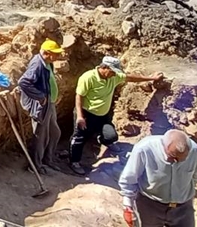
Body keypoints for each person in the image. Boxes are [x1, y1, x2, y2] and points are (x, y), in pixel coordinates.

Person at [68, 56, 165, 175]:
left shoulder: (113, 77)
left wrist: (151, 78)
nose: (115, 75)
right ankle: (74, 162)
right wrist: (80, 116)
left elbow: (130, 77)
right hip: (86, 113)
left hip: (103, 115)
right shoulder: (88, 77)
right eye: (113, 72)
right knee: (79, 138)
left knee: (111, 136)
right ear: (105, 68)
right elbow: (79, 96)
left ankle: (101, 139)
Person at [118, 129, 197, 227]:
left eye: (182, 160)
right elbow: (129, 178)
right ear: (164, 147)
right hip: (150, 206)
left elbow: (195, 177)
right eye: (173, 158)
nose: (177, 162)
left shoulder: (195, 152)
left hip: (182, 209)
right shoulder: (145, 149)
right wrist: (127, 206)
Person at [18, 39, 64, 174]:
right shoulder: (38, 65)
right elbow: (23, 82)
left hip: (49, 103)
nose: (58, 56)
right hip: (41, 106)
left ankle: (48, 159)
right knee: (41, 136)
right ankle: (35, 166)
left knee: (55, 133)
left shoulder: (48, 64)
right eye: (55, 54)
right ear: (47, 53)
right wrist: (40, 97)